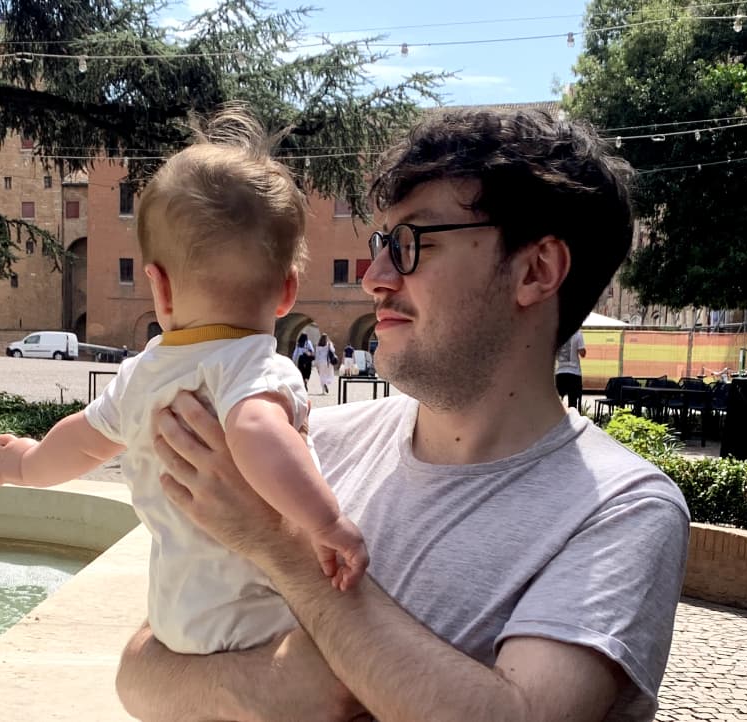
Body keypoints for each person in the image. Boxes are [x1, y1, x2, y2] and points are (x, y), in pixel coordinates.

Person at [117, 108, 690, 722]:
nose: (375, 278)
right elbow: (138, 670)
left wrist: (277, 546)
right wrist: (279, 685)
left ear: (535, 270)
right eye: (380, 241)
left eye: (410, 243)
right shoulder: (307, 444)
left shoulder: (621, 509)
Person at [0, 106, 368, 655]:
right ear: (289, 292)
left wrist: (24, 464)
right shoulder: (253, 365)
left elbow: (81, 439)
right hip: (258, 617)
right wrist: (327, 521)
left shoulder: (140, 375)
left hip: (175, 618)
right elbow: (258, 431)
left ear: (158, 289)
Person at [555, 328, 587, 409]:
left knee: (557, 401)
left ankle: (559, 419)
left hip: (560, 373)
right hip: (574, 373)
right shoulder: (577, 333)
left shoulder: (558, 334)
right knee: (573, 403)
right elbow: (582, 354)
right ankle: (572, 420)